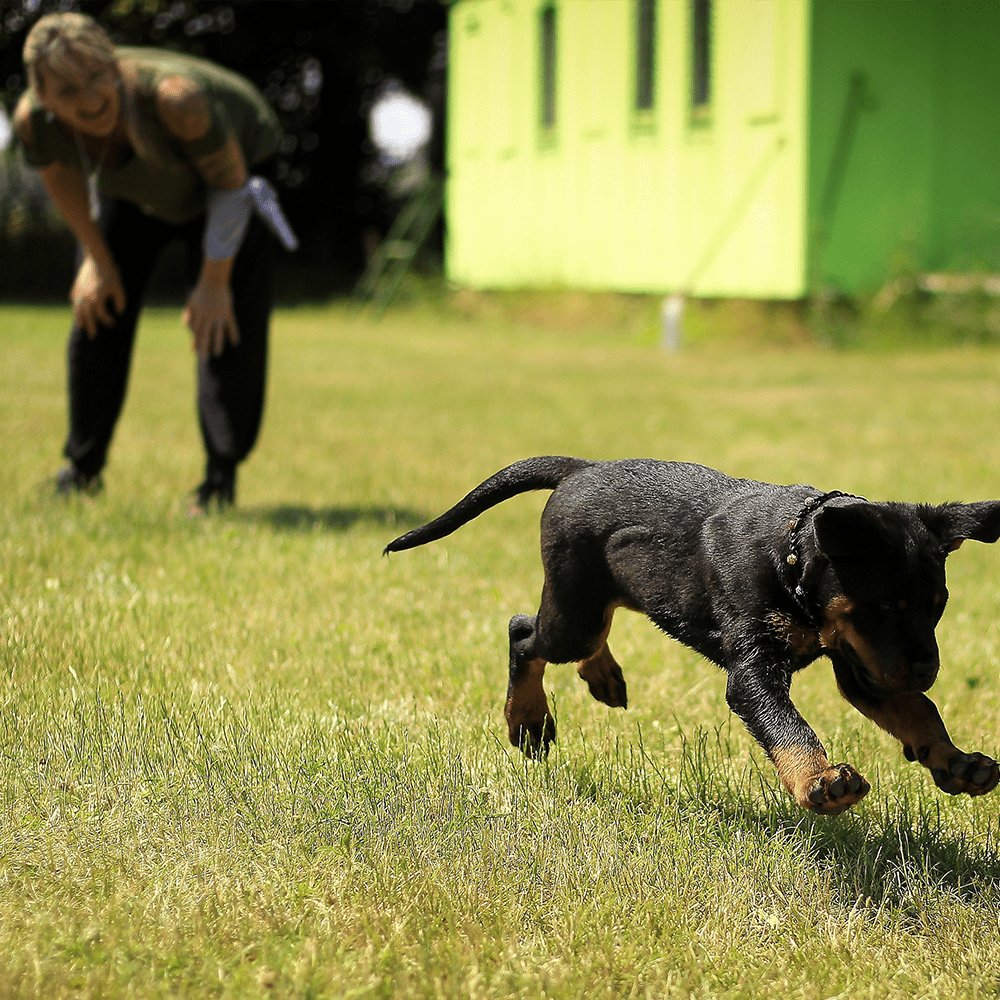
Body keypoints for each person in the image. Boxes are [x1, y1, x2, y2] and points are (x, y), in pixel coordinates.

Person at [13, 12, 297, 512]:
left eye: (99, 77)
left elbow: (230, 186)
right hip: (135, 189)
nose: (91, 99)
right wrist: (95, 259)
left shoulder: (175, 100)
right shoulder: (34, 122)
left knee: (222, 325)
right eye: (68, 90)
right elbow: (59, 175)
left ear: (115, 65)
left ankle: (218, 480)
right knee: (95, 310)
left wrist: (213, 283)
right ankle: (81, 470)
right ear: (43, 95)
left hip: (229, 182)